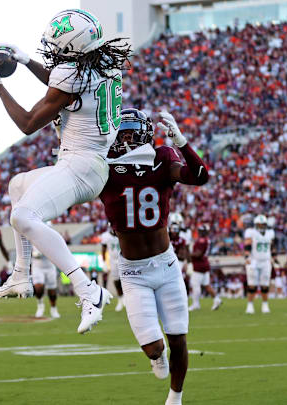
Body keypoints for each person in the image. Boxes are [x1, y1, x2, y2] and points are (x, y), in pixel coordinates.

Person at [0, 9, 132, 333]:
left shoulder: (72, 77)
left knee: (22, 216)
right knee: (17, 185)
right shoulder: (104, 64)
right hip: (87, 163)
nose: (56, 52)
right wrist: (24, 61)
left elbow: (27, 123)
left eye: (61, 47)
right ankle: (22, 273)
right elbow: (62, 84)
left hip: (81, 167)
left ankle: (88, 290)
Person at [99, 108, 209, 405]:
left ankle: (176, 396)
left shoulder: (162, 157)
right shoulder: (103, 166)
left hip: (166, 265)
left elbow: (199, 176)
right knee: (154, 347)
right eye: (122, 133)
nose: (126, 139)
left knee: (179, 339)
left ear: (146, 135)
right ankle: (156, 357)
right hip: (133, 272)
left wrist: (181, 141)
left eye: (132, 133)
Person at [243, 215, 275, 314]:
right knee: (252, 285)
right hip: (254, 261)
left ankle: (265, 304)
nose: (261, 226)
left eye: (263, 224)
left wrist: (274, 257)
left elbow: (272, 246)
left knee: (265, 285)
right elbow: (247, 245)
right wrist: (247, 257)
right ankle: (250, 305)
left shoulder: (270, 233)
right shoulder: (251, 232)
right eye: (259, 224)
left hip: (266, 261)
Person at [189, 224, 222, 311]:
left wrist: (189, 254)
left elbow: (198, 254)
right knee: (206, 285)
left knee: (195, 284)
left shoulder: (202, 240)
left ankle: (196, 304)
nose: (199, 232)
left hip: (199, 265)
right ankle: (217, 299)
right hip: (204, 264)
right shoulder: (207, 240)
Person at [100, 225, 124, 311]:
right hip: (113, 260)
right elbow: (103, 249)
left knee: (126, 279)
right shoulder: (106, 236)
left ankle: (126, 299)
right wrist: (104, 262)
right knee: (116, 280)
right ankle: (120, 300)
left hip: (124, 259)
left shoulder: (123, 232)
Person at [31, 247, 60, 318]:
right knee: (38, 288)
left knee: (52, 291)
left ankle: (53, 308)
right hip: (37, 267)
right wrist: (33, 254)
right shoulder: (32, 238)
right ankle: (40, 305)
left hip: (50, 267)